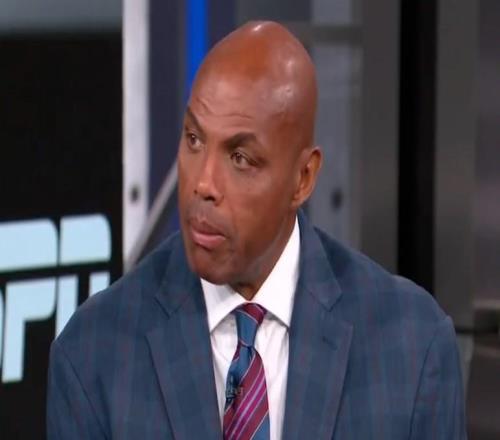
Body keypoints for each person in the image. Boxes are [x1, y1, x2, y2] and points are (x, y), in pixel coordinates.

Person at [47, 21, 466, 439]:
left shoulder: (413, 348)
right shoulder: (93, 354)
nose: (203, 184)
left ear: (303, 178)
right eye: (194, 139)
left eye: (240, 158)